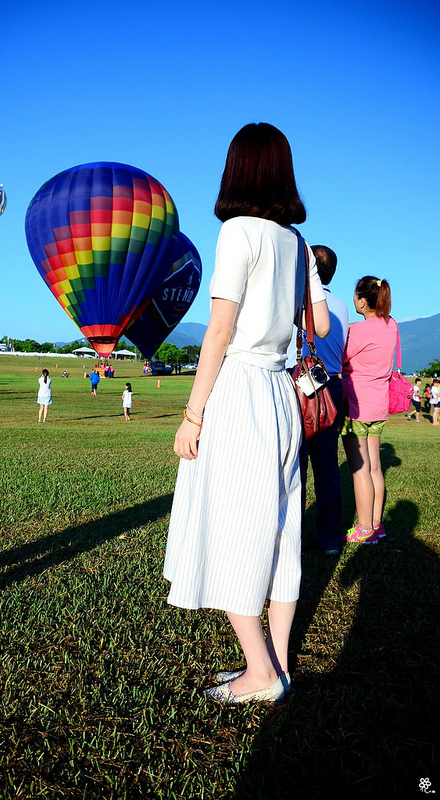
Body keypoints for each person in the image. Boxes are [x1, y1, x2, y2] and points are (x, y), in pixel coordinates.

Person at [163, 123, 330, 706]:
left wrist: (192, 414)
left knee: (235, 530)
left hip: (240, 390)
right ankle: (278, 667)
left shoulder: (237, 232)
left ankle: (259, 672)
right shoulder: (297, 243)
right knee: (283, 533)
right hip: (283, 395)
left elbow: (220, 328)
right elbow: (324, 325)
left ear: (237, 169)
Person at [341, 277, 398, 544]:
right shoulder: (392, 325)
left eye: (355, 296)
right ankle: (376, 524)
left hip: (356, 406)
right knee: (375, 466)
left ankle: (364, 530)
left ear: (362, 301)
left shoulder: (359, 331)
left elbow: (341, 357)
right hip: (379, 405)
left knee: (359, 468)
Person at [299, 246, 348, 555]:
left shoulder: (300, 302)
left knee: (295, 466)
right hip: (334, 384)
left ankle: (295, 536)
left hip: (304, 386)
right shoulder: (342, 307)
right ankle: (330, 537)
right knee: (327, 466)